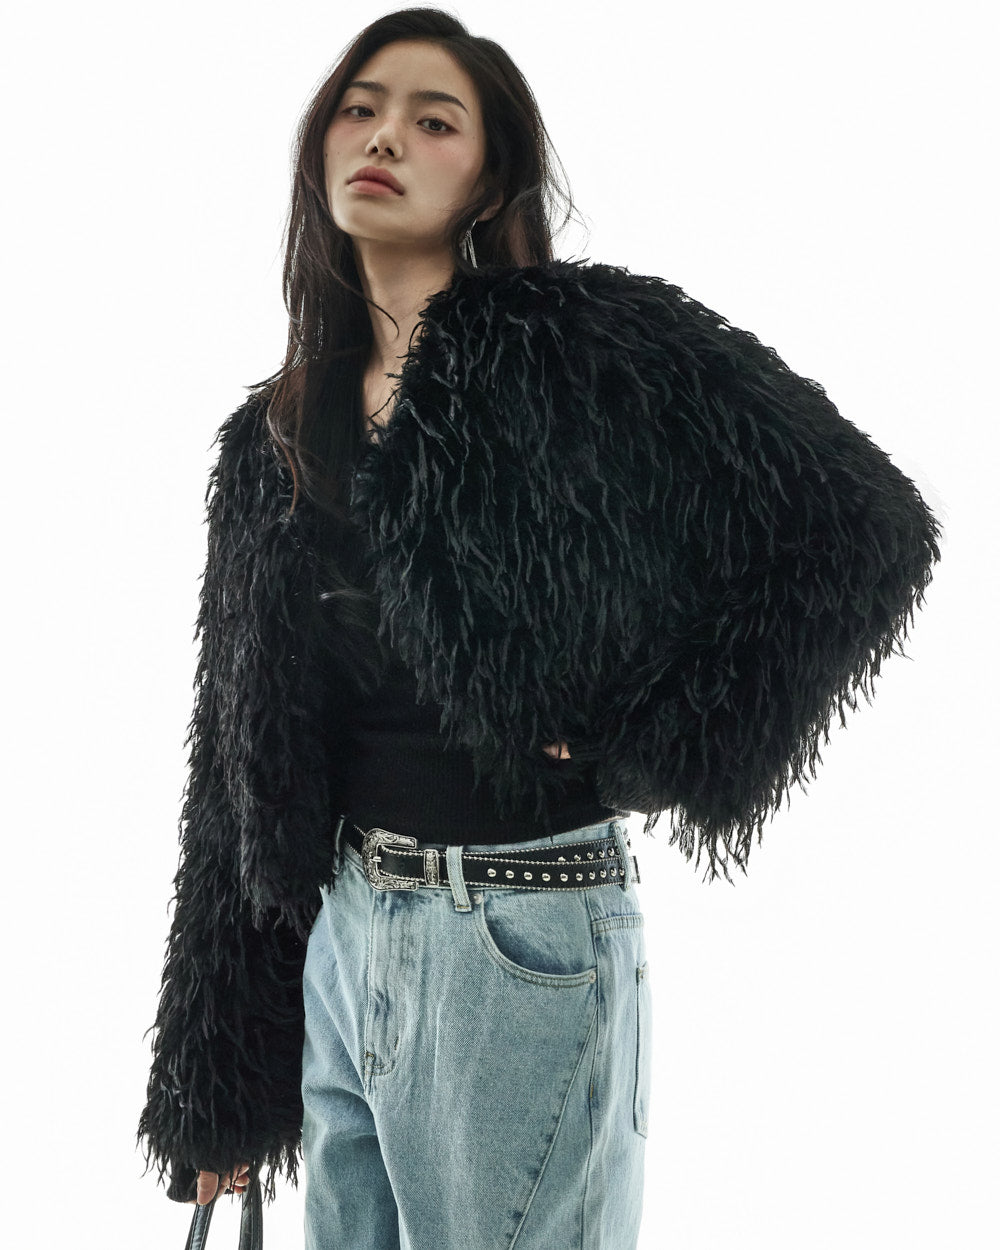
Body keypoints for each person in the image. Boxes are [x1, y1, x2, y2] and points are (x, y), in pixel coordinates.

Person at [137, 9, 940, 1249]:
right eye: (360, 108)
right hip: (341, 939)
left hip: (518, 939)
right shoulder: (275, 435)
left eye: (433, 120)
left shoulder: (584, 348)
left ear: (487, 176)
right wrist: (218, 1079)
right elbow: (234, 775)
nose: (384, 137)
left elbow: (863, 523)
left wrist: (661, 742)